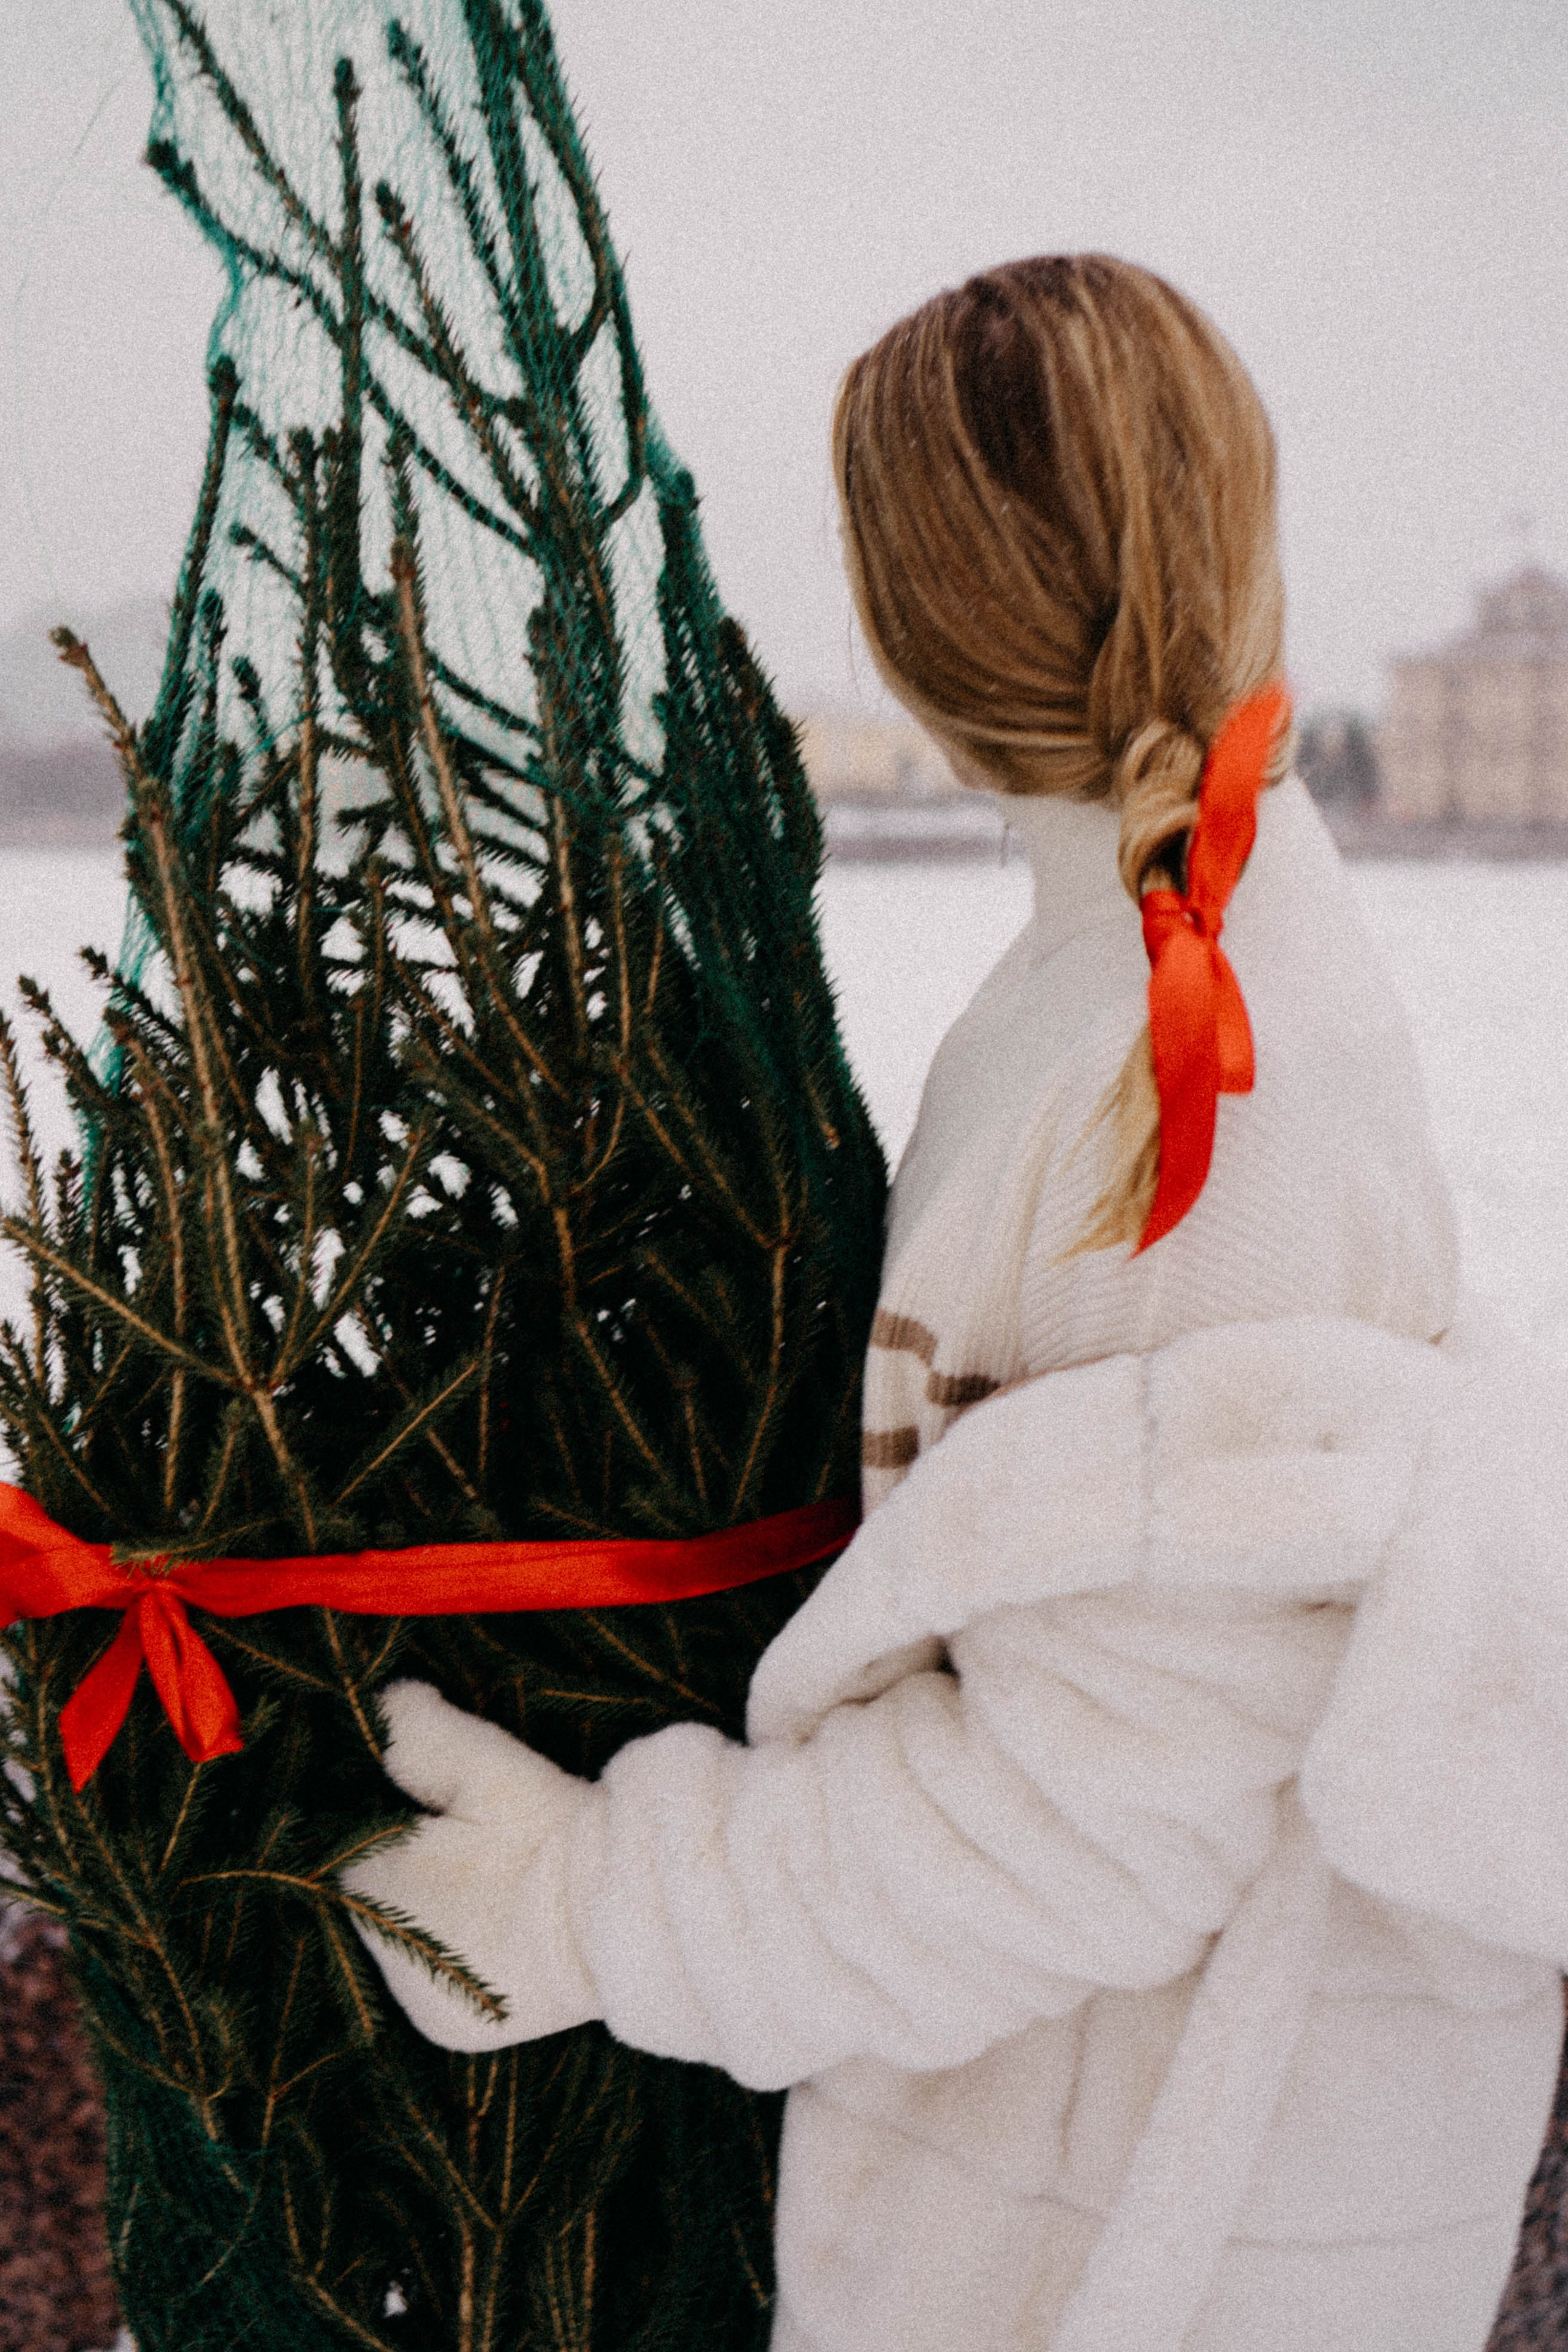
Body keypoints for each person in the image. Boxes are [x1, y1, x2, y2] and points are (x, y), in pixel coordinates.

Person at [344, 255, 1568, 2352]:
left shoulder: (1191, 1109)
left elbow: (1093, 1829)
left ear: (909, 633)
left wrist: (599, 1906)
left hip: (1141, 2238)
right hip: (1097, 2158)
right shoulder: (1145, 949)